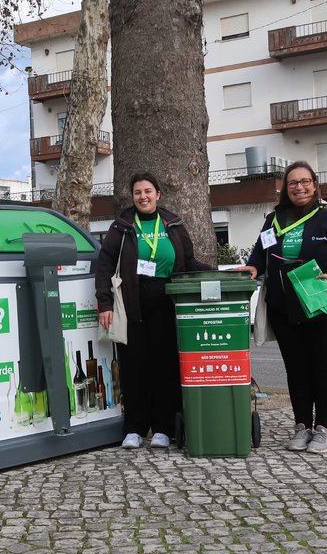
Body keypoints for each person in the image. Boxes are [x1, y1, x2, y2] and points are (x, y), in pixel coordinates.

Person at [238, 161, 327, 454]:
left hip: (322, 306)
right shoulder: (273, 221)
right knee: (296, 369)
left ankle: (324, 428)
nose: (300, 187)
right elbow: (260, 253)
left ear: (315, 185)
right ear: (285, 189)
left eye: (305, 182)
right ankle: (302, 425)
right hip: (284, 308)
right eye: (293, 183)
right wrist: (253, 267)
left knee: (323, 367)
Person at [96, 172, 211, 450]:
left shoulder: (173, 224)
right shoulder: (121, 227)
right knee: (134, 367)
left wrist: (218, 273)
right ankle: (135, 427)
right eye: (138, 192)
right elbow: (105, 266)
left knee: (165, 367)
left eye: (148, 191)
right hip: (131, 305)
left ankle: (163, 428)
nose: (143, 196)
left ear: (158, 194)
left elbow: (189, 261)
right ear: (132, 197)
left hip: (167, 306)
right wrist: (105, 303)